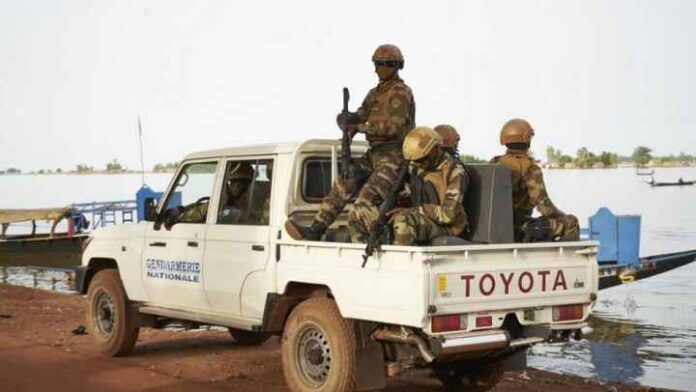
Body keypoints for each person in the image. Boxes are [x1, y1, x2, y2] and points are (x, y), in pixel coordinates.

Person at [285, 44, 416, 242]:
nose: (376, 69)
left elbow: (394, 127)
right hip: (375, 153)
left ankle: (383, 235)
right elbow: (361, 115)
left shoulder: (400, 92)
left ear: (392, 66)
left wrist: (360, 127)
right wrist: (347, 118)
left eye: (380, 64)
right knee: (343, 184)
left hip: (394, 155)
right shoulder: (375, 93)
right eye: (376, 64)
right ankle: (314, 231)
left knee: (365, 199)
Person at [491, 118, 579, 242]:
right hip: (517, 228)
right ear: (527, 140)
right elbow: (546, 208)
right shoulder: (530, 169)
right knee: (571, 222)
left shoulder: (494, 164)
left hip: (493, 228)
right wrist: (562, 216)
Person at [387, 127, 469, 245]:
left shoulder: (454, 171)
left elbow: (448, 214)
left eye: (422, 159)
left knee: (404, 220)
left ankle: (401, 262)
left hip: (449, 227)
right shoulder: (417, 169)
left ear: (435, 149)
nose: (417, 163)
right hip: (425, 219)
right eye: (415, 161)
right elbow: (411, 194)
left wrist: (413, 210)